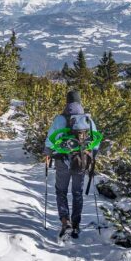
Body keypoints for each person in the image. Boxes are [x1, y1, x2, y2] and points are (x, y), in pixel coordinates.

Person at [44, 90, 98, 238]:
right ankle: (76, 225)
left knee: (61, 191)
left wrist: (48, 153)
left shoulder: (59, 119)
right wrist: (92, 156)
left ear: (67, 102)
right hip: (81, 160)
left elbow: (49, 140)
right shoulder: (88, 120)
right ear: (80, 102)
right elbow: (96, 142)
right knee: (77, 192)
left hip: (62, 161)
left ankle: (65, 221)